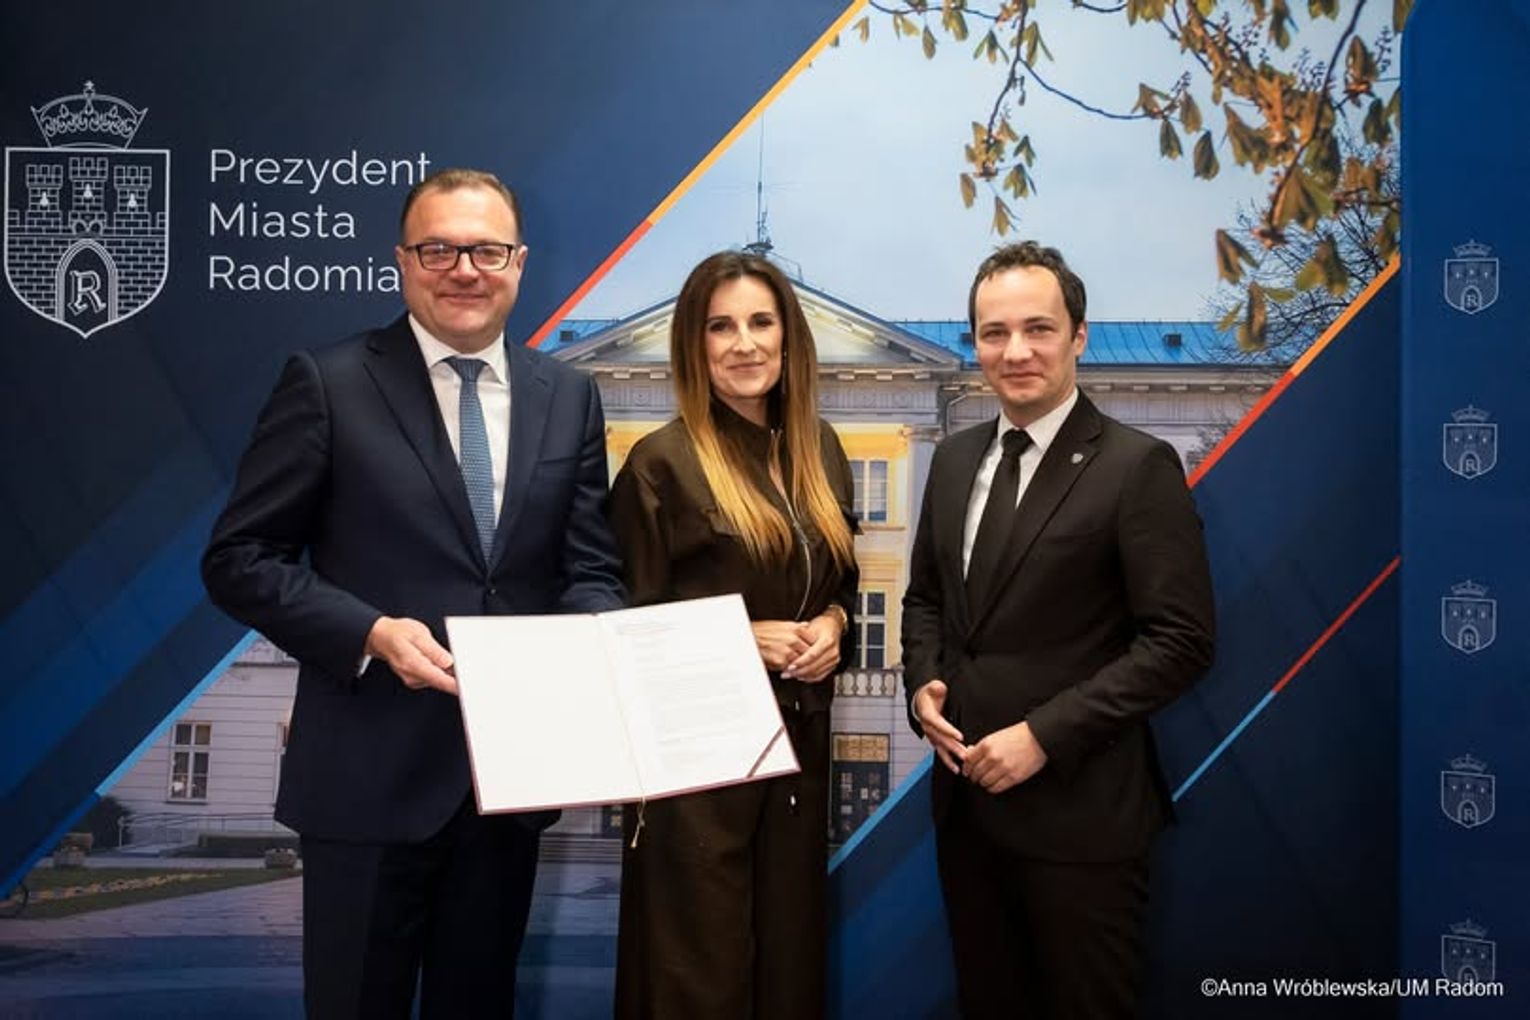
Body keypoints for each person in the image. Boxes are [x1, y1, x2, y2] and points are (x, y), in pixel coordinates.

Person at [201, 168, 624, 1019]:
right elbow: (240, 557)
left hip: (506, 785)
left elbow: (589, 571)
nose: (464, 269)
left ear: (519, 263)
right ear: (402, 261)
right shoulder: (327, 382)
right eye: (439, 250)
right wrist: (368, 633)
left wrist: (605, 644)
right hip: (365, 780)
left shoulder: (569, 396)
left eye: (486, 250)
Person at [901, 241, 1215, 1019]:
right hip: (967, 814)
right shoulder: (953, 460)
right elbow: (926, 599)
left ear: (1078, 336)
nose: (1016, 351)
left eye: (1038, 329)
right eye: (994, 332)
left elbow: (1180, 641)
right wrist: (922, 681)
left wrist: (1043, 736)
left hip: (1083, 822)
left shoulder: (1136, 467)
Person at [608, 251, 858, 1019]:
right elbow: (619, 637)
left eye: (760, 322)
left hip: (798, 759)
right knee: (701, 981)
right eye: (721, 327)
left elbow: (841, 584)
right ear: (694, 345)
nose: (744, 343)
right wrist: (741, 638)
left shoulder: (821, 451)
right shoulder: (660, 465)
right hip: (697, 775)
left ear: (788, 338)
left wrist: (835, 624)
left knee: (788, 969)